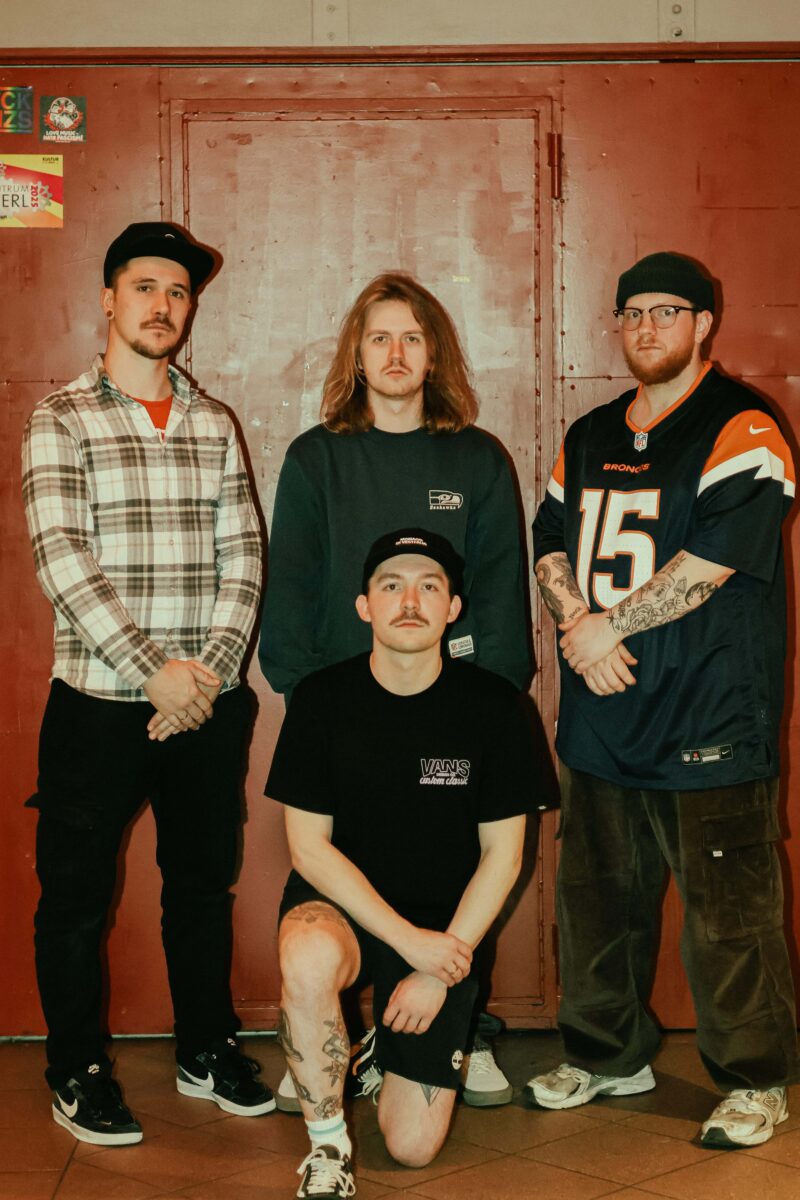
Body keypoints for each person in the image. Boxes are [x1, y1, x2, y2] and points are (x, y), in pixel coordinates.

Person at [530, 251, 798, 1148]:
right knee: (597, 903)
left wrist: (608, 628)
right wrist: (579, 625)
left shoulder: (743, 426)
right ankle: (607, 1054)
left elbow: (714, 559)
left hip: (709, 713)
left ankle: (756, 1080)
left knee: (730, 917)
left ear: (703, 323)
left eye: (668, 312)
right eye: (634, 312)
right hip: (603, 713)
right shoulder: (590, 433)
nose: (647, 327)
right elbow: (550, 536)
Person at [21, 222, 272, 1146]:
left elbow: (245, 554)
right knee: (75, 899)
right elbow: (62, 559)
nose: (162, 306)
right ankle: (76, 1067)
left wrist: (204, 677)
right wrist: (153, 674)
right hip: (96, 703)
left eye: (177, 292)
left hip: (206, 703)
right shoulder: (60, 417)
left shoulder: (213, 422)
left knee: (201, 887)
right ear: (108, 299)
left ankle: (205, 1047)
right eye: (144, 288)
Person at [260, 272, 532, 1107]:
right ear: (357, 353)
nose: (396, 353)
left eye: (413, 338)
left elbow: (499, 591)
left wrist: (490, 714)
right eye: (379, 338)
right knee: (339, 875)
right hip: (349, 715)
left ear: (434, 355)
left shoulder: (477, 458)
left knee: (464, 871)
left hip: (452, 713)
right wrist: (314, 704)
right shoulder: (317, 457)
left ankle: (461, 1024)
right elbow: (293, 585)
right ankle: (325, 1033)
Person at [266, 528, 538, 1197]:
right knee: (306, 955)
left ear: (453, 608)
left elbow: (504, 858)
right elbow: (308, 849)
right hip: (344, 910)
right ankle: (328, 1146)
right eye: (391, 585)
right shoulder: (320, 699)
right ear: (365, 606)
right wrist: (405, 942)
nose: (409, 601)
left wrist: (439, 964)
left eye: (429, 586)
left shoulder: (497, 706)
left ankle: (375, 1052)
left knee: (412, 1149)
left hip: (445, 931)